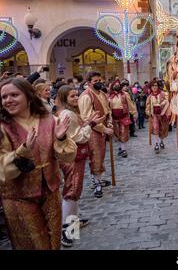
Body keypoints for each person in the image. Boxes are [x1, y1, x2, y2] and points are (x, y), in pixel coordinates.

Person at [0, 78, 76, 250]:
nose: (8, 100)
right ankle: (71, 232)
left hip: (53, 186)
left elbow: (68, 152)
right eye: (4, 97)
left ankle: (72, 231)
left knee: (74, 195)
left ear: (28, 96)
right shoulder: (3, 127)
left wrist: (61, 138)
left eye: (14, 95)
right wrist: (22, 152)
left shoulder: (50, 119)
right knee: (36, 244)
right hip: (20, 196)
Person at [57, 85, 103, 247]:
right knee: (72, 191)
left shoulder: (71, 112)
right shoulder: (68, 114)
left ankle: (74, 221)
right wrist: (90, 126)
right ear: (64, 99)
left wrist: (89, 122)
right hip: (73, 158)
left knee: (75, 190)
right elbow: (78, 137)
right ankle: (67, 230)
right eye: (72, 96)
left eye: (76, 95)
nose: (76, 98)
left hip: (76, 156)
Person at [78, 72, 113, 198]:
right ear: (88, 83)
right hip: (93, 131)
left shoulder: (102, 94)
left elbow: (107, 110)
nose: (99, 82)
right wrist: (103, 128)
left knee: (101, 155)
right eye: (95, 81)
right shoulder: (86, 96)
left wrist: (109, 123)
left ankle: (98, 178)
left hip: (103, 129)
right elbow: (86, 117)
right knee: (95, 155)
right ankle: (96, 183)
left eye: (100, 79)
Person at [108, 80, 137, 158]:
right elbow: (107, 108)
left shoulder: (125, 94)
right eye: (115, 85)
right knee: (117, 134)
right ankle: (121, 147)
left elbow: (130, 104)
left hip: (124, 117)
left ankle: (124, 150)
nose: (117, 86)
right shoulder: (109, 96)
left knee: (123, 133)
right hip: (114, 118)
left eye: (118, 84)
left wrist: (134, 113)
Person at [146, 80, 170, 152]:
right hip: (154, 115)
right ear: (151, 87)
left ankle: (161, 141)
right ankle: (156, 143)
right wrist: (148, 112)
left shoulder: (162, 94)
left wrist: (162, 104)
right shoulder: (150, 97)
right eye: (153, 86)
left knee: (162, 128)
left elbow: (167, 100)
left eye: (156, 85)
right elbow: (147, 106)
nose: (154, 87)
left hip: (162, 114)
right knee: (156, 128)